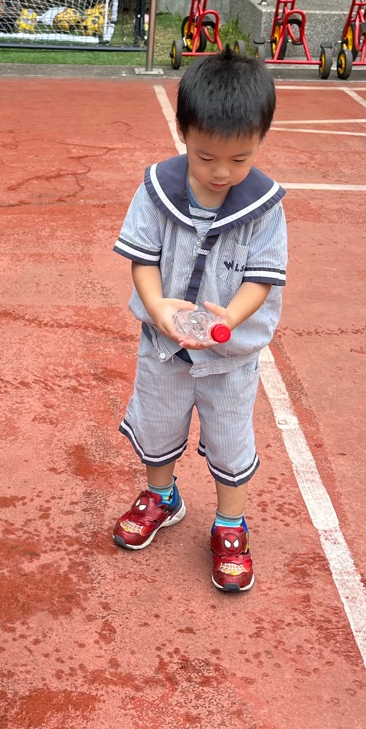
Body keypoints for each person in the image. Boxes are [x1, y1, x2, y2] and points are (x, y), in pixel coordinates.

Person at [111, 48, 287, 591]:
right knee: (158, 424)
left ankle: (231, 523)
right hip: (164, 346)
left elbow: (261, 279)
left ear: (260, 141)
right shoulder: (157, 188)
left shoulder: (264, 205)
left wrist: (230, 316)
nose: (222, 172)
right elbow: (142, 259)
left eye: (240, 158)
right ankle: (162, 496)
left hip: (229, 357)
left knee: (230, 438)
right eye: (206, 156)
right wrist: (157, 305)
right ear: (183, 132)